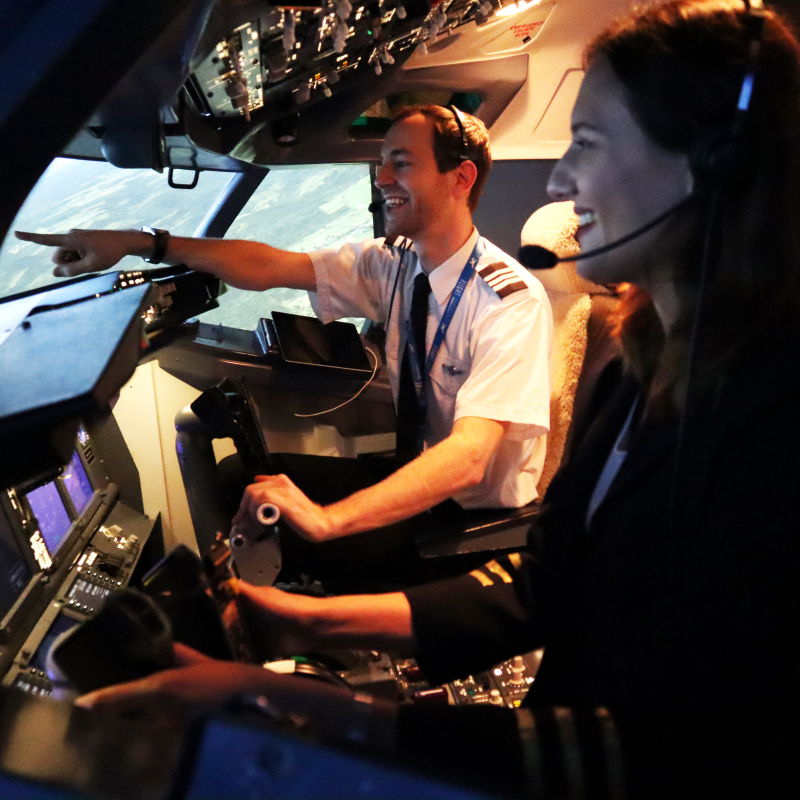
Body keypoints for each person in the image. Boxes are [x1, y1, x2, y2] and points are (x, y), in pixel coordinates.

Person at [71, 0, 800, 796]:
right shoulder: (640, 363)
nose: (558, 180)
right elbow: (547, 587)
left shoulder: (768, 418)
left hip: (490, 552)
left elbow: (676, 753)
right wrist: (301, 622)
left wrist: (299, 702)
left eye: (585, 144)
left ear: (713, 163)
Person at [16, 105, 552, 588]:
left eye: (402, 163)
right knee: (240, 483)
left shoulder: (509, 303)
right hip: (412, 475)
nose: (381, 177)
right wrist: (140, 243)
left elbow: (471, 457)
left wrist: (329, 520)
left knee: (295, 533)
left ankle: (286, 646)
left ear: (460, 178)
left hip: (465, 522)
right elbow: (271, 266)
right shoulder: (397, 263)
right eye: (382, 161)